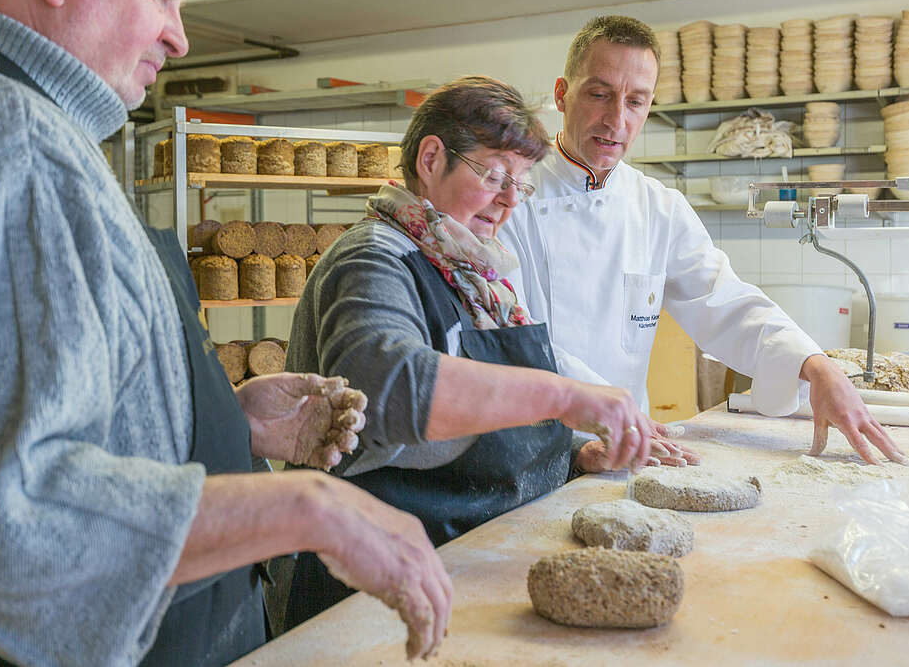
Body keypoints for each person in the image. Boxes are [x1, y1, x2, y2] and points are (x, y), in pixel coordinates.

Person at [0, 0, 451, 665]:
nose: (178, 36)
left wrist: (205, 417)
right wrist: (306, 506)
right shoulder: (0, 152)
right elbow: (4, 525)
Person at [280, 75, 699, 632]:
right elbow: (386, 390)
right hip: (366, 584)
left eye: (519, 184)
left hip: (459, 555)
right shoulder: (373, 258)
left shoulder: (469, 269)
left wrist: (569, 455)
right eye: (495, 175)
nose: (507, 202)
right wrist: (564, 395)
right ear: (431, 158)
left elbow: (481, 429)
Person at [498, 15, 907, 469]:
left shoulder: (657, 207)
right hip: (528, 454)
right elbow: (512, 339)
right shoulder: (507, 197)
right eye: (599, 94)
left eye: (636, 101)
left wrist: (814, 365)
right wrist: (584, 431)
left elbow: (725, 303)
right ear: (561, 93)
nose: (616, 119)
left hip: (630, 452)